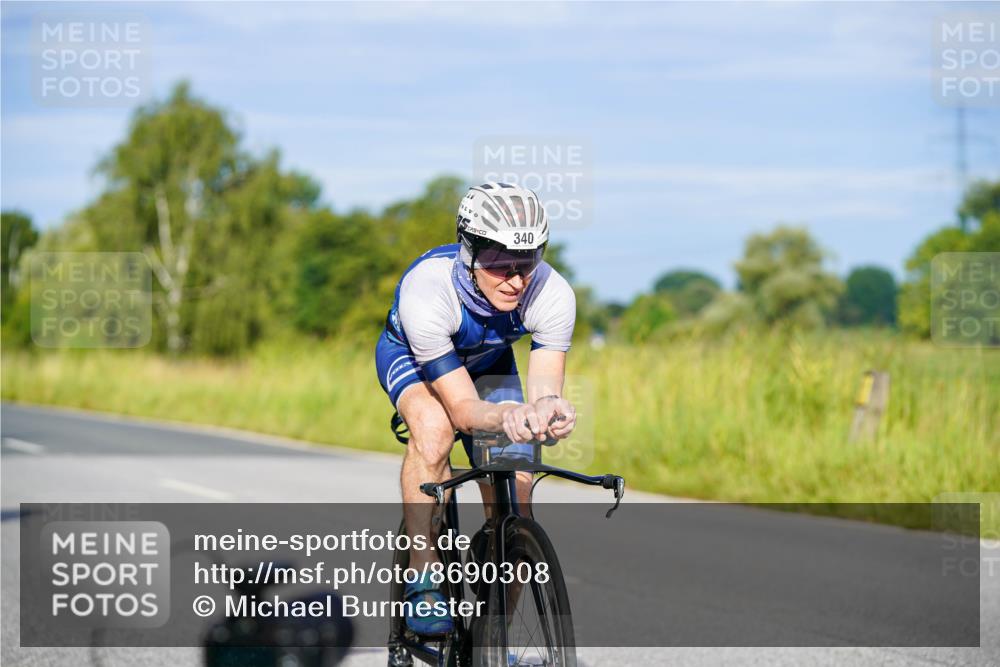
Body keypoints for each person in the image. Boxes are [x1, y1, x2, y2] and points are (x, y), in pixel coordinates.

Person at [375, 182, 577, 636]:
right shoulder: (427, 291)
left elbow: (544, 389)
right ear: (468, 252)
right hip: (415, 358)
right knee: (434, 432)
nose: (517, 279)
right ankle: (424, 575)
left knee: (518, 498)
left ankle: (494, 635)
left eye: (527, 261)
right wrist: (506, 417)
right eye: (500, 265)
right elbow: (464, 410)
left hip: (487, 361)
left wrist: (548, 410)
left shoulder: (553, 292)